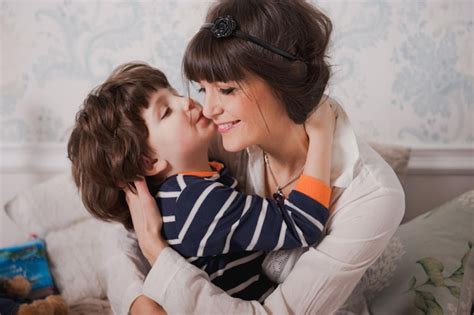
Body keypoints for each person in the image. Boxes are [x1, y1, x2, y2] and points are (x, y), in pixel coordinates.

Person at [106, 0, 405, 314]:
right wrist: (136, 300)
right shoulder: (218, 137)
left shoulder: (373, 196)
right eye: (201, 89)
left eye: (226, 90)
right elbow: (125, 233)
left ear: (281, 81)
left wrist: (156, 251)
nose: (206, 110)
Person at [68, 62, 336, 303]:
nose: (185, 102)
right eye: (166, 112)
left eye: (174, 93)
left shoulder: (187, 186)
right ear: (150, 162)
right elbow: (301, 225)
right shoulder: (198, 204)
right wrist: (321, 133)